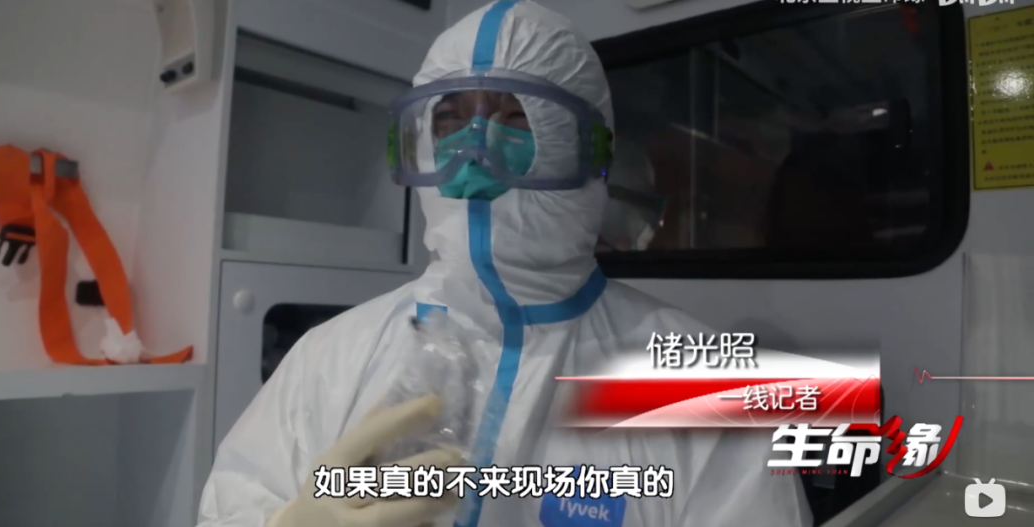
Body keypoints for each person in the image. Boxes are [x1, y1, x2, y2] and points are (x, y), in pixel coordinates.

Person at [197, 2, 813, 527]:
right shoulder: (329, 361)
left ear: (590, 149)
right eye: (449, 118)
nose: (475, 148)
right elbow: (234, 504)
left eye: (516, 116)